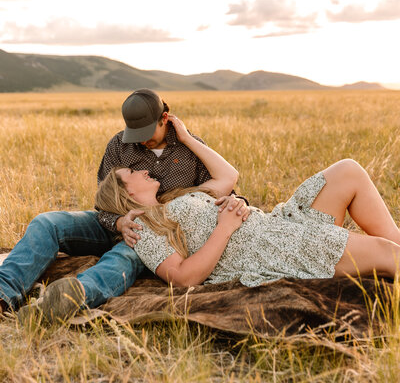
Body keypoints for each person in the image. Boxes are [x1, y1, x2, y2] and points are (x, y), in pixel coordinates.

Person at [35, 114, 400, 323]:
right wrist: (225, 227)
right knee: (386, 255)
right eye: (129, 172)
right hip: (267, 248)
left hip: (274, 223)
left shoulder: (177, 195)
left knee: (348, 171)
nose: (139, 168)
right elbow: (183, 277)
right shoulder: (143, 228)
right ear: (125, 193)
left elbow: (228, 176)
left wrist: (184, 135)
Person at [0, 89, 247, 321]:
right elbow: (104, 201)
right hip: (114, 223)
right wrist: (118, 223)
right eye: (135, 134)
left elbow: (221, 190)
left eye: (147, 133)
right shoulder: (119, 146)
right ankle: (3, 294)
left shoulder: (191, 147)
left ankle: (70, 298)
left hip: (159, 232)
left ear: (164, 118)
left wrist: (238, 203)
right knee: (48, 223)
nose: (141, 142)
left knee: (124, 257)